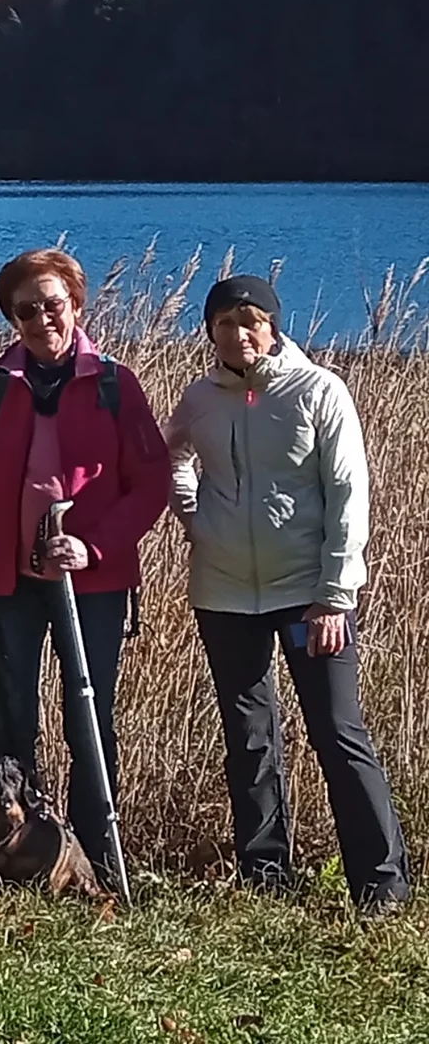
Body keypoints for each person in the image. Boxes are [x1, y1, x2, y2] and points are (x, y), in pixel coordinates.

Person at [166, 276, 410, 914]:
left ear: (274, 326)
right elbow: (174, 456)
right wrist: (193, 514)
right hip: (222, 594)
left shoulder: (319, 391)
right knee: (248, 736)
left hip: (309, 595)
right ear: (211, 332)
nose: (239, 334)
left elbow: (349, 497)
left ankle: (380, 882)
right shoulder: (200, 398)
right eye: (224, 323)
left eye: (251, 321)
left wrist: (334, 594)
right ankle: (265, 872)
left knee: (337, 730)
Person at [0, 247, 170, 880]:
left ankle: (94, 858)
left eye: (53, 304)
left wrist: (94, 545)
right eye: (26, 310)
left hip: (91, 586)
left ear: (75, 304)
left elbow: (150, 484)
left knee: (89, 716)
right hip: (7, 583)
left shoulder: (114, 385)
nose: (42, 319)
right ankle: (16, 854)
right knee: (10, 713)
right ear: (10, 318)